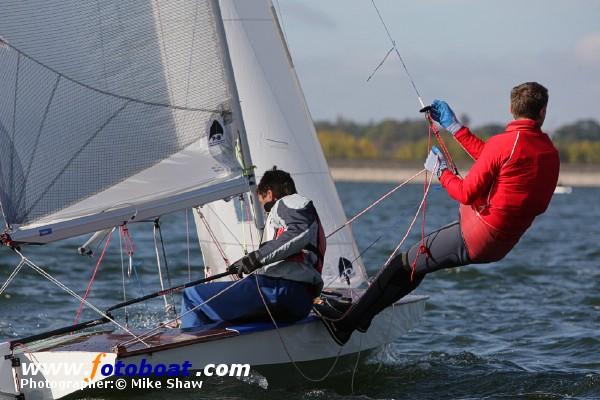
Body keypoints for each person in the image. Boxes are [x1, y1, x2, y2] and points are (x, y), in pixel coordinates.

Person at [316, 82, 560, 345]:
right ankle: (362, 316)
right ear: (543, 112)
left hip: (477, 235)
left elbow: (466, 192)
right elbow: (493, 159)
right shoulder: (549, 152)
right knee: (415, 267)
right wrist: (454, 127)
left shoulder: (505, 143)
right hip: (502, 244)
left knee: (402, 265)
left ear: (511, 108)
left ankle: (347, 324)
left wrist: (440, 171)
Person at [180, 167, 326, 329]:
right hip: (298, 301)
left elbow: (298, 231)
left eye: (264, 205)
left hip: (281, 291)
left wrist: (254, 259)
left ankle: (187, 351)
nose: (266, 211)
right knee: (225, 316)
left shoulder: (290, 201)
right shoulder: (306, 213)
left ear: (270, 194)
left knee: (192, 296)